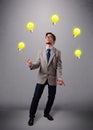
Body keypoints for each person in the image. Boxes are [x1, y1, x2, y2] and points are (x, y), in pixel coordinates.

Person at [27, 32, 65, 126]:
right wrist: (32, 65)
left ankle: (46, 113)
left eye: (50, 37)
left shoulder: (58, 52)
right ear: (45, 39)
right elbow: (38, 63)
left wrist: (59, 78)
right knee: (36, 98)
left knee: (51, 98)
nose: (48, 38)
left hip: (52, 78)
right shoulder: (40, 51)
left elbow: (59, 66)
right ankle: (31, 116)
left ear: (54, 40)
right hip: (41, 77)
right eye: (46, 37)